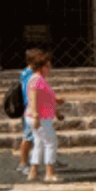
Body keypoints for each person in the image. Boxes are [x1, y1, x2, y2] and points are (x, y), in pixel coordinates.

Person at [23, 50, 65, 182]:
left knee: (39, 143)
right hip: (40, 117)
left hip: (39, 116)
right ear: (41, 67)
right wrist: (36, 116)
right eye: (47, 66)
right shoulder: (37, 80)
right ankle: (49, 173)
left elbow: (45, 100)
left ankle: (33, 171)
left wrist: (57, 111)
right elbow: (33, 99)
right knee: (50, 143)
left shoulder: (37, 79)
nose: (49, 69)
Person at [13, 48, 40, 175]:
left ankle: (50, 159)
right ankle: (22, 164)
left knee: (43, 135)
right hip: (30, 108)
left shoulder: (25, 72)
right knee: (28, 137)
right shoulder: (31, 75)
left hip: (29, 107)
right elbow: (32, 93)